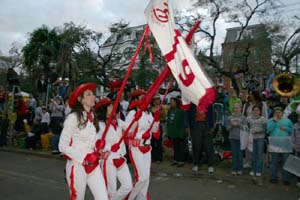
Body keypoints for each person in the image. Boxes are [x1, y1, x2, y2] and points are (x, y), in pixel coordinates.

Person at [58, 82, 108, 200]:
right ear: (81, 99)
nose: (93, 97)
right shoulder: (73, 118)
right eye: (89, 94)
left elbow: (91, 141)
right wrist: (84, 158)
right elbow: (62, 146)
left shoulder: (93, 118)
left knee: (103, 198)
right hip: (77, 166)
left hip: (94, 164)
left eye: (93, 94)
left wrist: (100, 150)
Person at [125, 89, 160, 200]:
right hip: (136, 147)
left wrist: (157, 119)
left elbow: (154, 131)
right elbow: (128, 130)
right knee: (142, 178)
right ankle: (129, 198)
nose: (146, 99)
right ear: (136, 100)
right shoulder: (132, 113)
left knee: (147, 178)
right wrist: (136, 119)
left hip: (147, 147)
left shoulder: (148, 113)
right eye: (142, 97)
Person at [95, 97, 132, 200]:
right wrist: (109, 147)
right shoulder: (100, 125)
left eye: (112, 105)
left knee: (128, 186)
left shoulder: (118, 121)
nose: (113, 106)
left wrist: (138, 114)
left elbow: (131, 127)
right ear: (104, 109)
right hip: (108, 160)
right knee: (111, 190)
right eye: (110, 105)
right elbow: (96, 143)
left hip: (120, 157)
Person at [185, 103, 215, 173]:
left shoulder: (208, 102)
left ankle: (210, 165)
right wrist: (186, 125)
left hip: (206, 124)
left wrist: (211, 125)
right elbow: (186, 113)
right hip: (195, 125)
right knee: (196, 145)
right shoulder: (191, 102)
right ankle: (196, 164)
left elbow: (211, 114)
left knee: (209, 146)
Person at [267, 106, 293, 185]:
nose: (278, 114)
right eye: (276, 112)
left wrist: (286, 129)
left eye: (279, 112)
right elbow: (268, 130)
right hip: (274, 143)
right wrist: (274, 122)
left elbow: (292, 130)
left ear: (282, 113)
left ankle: (286, 179)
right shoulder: (271, 120)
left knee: (285, 161)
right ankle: (274, 177)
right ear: (274, 113)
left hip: (285, 143)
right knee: (274, 161)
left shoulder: (288, 121)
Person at [226, 102, 247, 175]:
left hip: (241, 138)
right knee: (234, 154)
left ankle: (240, 169)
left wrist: (238, 124)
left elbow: (245, 128)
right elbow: (227, 128)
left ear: (240, 109)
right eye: (235, 108)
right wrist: (232, 125)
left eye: (237, 108)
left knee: (240, 154)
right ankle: (234, 169)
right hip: (232, 138)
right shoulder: (230, 117)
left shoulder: (243, 117)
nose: (236, 109)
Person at [246, 105, 267, 178]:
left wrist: (257, 131)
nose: (255, 111)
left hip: (260, 138)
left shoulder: (263, 119)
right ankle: (252, 169)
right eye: (254, 110)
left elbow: (265, 129)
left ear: (260, 111)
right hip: (251, 138)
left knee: (259, 155)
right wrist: (250, 131)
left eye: (257, 110)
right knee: (253, 154)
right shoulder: (248, 118)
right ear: (252, 111)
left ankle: (259, 170)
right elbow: (247, 127)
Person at [167, 97, 186, 167]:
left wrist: (183, 132)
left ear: (176, 102)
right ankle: (176, 159)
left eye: (172, 101)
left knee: (181, 147)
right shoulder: (170, 110)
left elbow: (182, 122)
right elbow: (169, 120)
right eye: (170, 101)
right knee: (175, 147)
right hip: (173, 131)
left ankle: (181, 161)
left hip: (179, 131)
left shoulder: (181, 111)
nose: (171, 103)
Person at [292, 113, 300, 188]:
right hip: (298, 148)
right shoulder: (295, 125)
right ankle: (298, 180)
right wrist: (293, 145)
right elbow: (293, 136)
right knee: (298, 164)